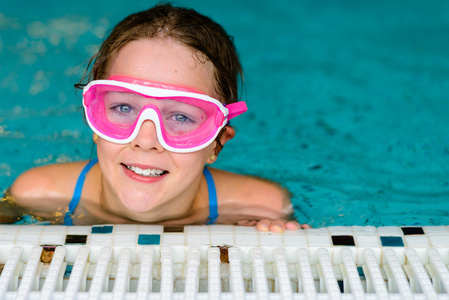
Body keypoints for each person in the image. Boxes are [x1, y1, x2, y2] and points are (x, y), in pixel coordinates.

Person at [8, 4, 309, 232]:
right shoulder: (36, 193)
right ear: (94, 121)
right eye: (124, 108)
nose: (146, 140)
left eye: (181, 116)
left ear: (217, 143)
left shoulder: (264, 208)